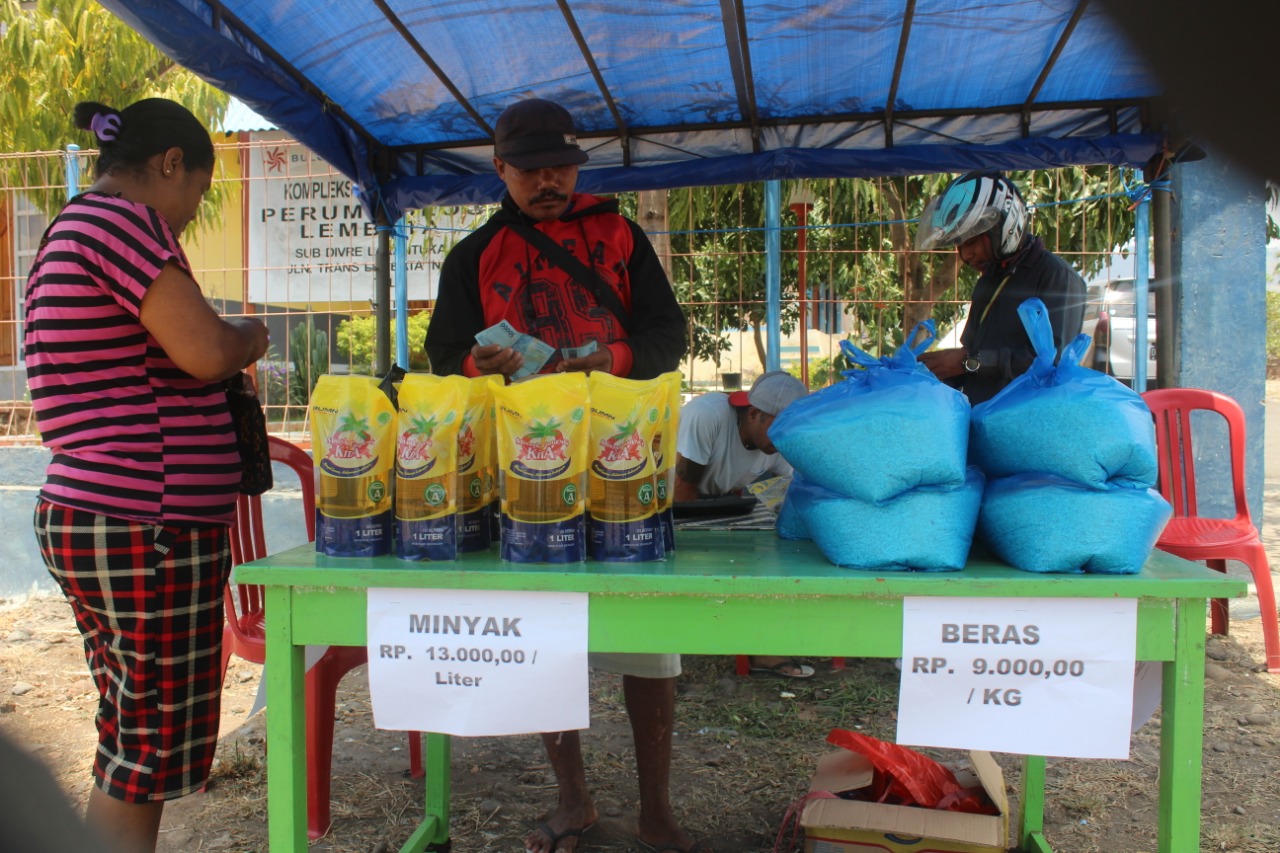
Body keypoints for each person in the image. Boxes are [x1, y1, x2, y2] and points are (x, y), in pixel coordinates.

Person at [423, 98, 699, 853]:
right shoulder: (471, 257)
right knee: (547, 636)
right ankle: (573, 799)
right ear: (500, 169)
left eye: (561, 167)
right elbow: (443, 361)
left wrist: (604, 359)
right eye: (531, 169)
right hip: (531, 467)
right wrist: (477, 365)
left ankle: (657, 809)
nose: (548, 181)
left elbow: (668, 336)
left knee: (649, 640)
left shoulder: (618, 234)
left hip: (623, 455)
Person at [22, 98, 270, 853]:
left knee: (135, 729)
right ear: (169, 165)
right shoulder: (124, 223)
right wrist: (250, 337)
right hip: (144, 520)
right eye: (197, 191)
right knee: (148, 743)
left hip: (108, 513)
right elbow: (202, 350)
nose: (191, 216)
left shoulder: (74, 228)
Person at [672, 370, 813, 679]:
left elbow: (785, 494)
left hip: (719, 504)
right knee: (742, 555)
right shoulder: (706, 415)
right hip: (669, 505)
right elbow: (682, 496)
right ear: (753, 414)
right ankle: (730, 637)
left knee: (776, 545)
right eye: (781, 428)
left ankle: (759, 643)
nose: (786, 439)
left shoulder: (774, 444)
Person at [914, 171, 1086, 405]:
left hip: (1026, 423)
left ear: (1001, 227)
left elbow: (1053, 363)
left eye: (972, 241)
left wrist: (970, 361)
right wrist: (934, 369)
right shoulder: (990, 279)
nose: (965, 255)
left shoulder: (1057, 276)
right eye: (958, 244)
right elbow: (974, 354)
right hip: (984, 419)